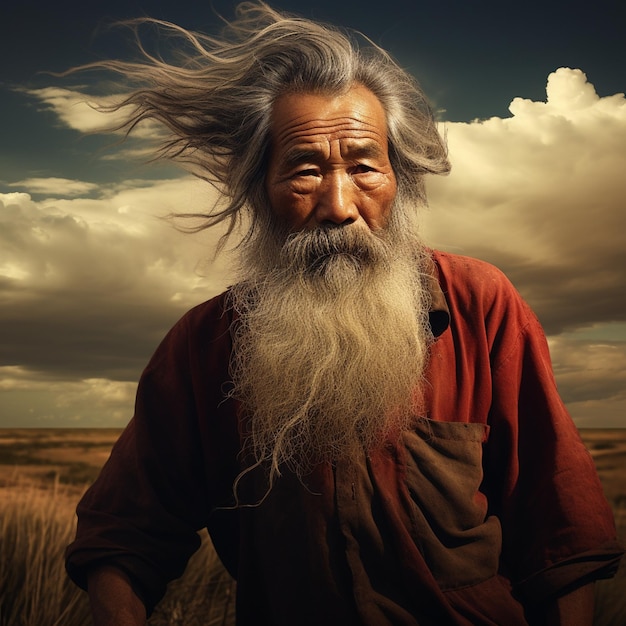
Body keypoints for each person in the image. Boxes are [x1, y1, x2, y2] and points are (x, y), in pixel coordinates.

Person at [65, 3, 623, 625]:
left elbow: (560, 526)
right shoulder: (204, 345)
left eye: (363, 166)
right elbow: (123, 536)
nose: (338, 205)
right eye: (304, 171)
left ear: (399, 180)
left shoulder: (479, 303)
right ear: (260, 190)